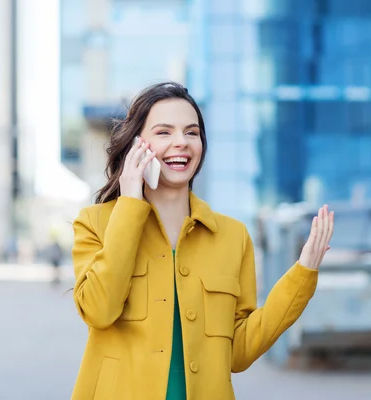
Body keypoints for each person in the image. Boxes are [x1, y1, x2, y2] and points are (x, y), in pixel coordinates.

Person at [71, 82, 334, 400]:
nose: (181, 142)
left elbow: (237, 353)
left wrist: (302, 274)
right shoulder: (95, 224)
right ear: (137, 145)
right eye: (164, 132)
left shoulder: (232, 236)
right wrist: (130, 202)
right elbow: (99, 310)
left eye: (192, 132)